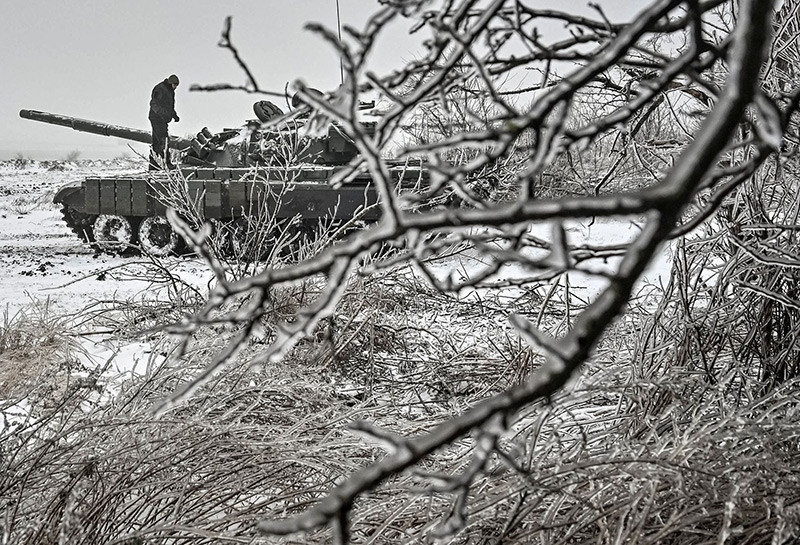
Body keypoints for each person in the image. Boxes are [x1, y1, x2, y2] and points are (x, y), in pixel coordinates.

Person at [148, 74, 180, 170]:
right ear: (171, 83)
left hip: (162, 119)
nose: (175, 87)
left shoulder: (170, 91)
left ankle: (155, 164)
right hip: (157, 118)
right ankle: (163, 163)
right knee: (162, 140)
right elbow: (154, 104)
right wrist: (162, 114)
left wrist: (174, 115)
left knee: (159, 141)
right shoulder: (160, 89)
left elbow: (169, 106)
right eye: (175, 85)